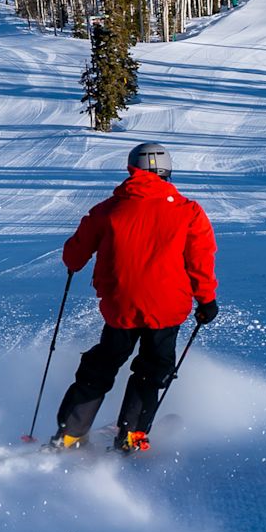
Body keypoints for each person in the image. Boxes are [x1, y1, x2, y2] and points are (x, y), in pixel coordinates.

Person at [52, 142, 218, 454]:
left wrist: (74, 264)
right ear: (166, 172)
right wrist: (206, 301)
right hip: (167, 308)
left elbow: (74, 253)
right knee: (152, 369)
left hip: (120, 306)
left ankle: (71, 433)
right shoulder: (188, 211)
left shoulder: (108, 209)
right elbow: (200, 260)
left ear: (133, 170)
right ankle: (132, 434)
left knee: (102, 365)